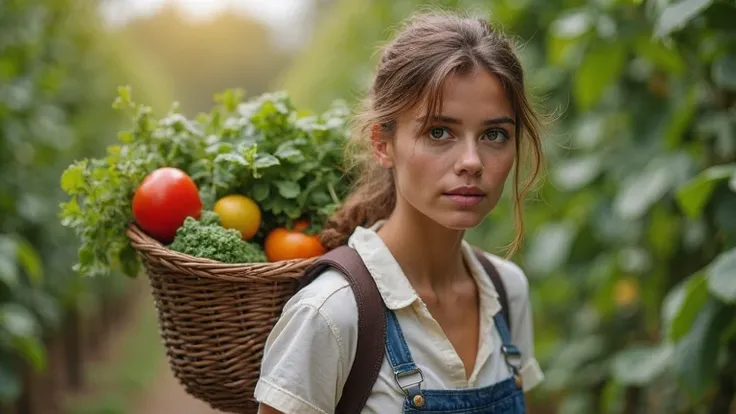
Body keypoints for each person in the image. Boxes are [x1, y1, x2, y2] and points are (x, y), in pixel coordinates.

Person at [256, 9, 545, 414]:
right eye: (438, 131)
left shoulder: (507, 292)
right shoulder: (332, 315)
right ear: (382, 144)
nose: (472, 161)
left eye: (494, 134)